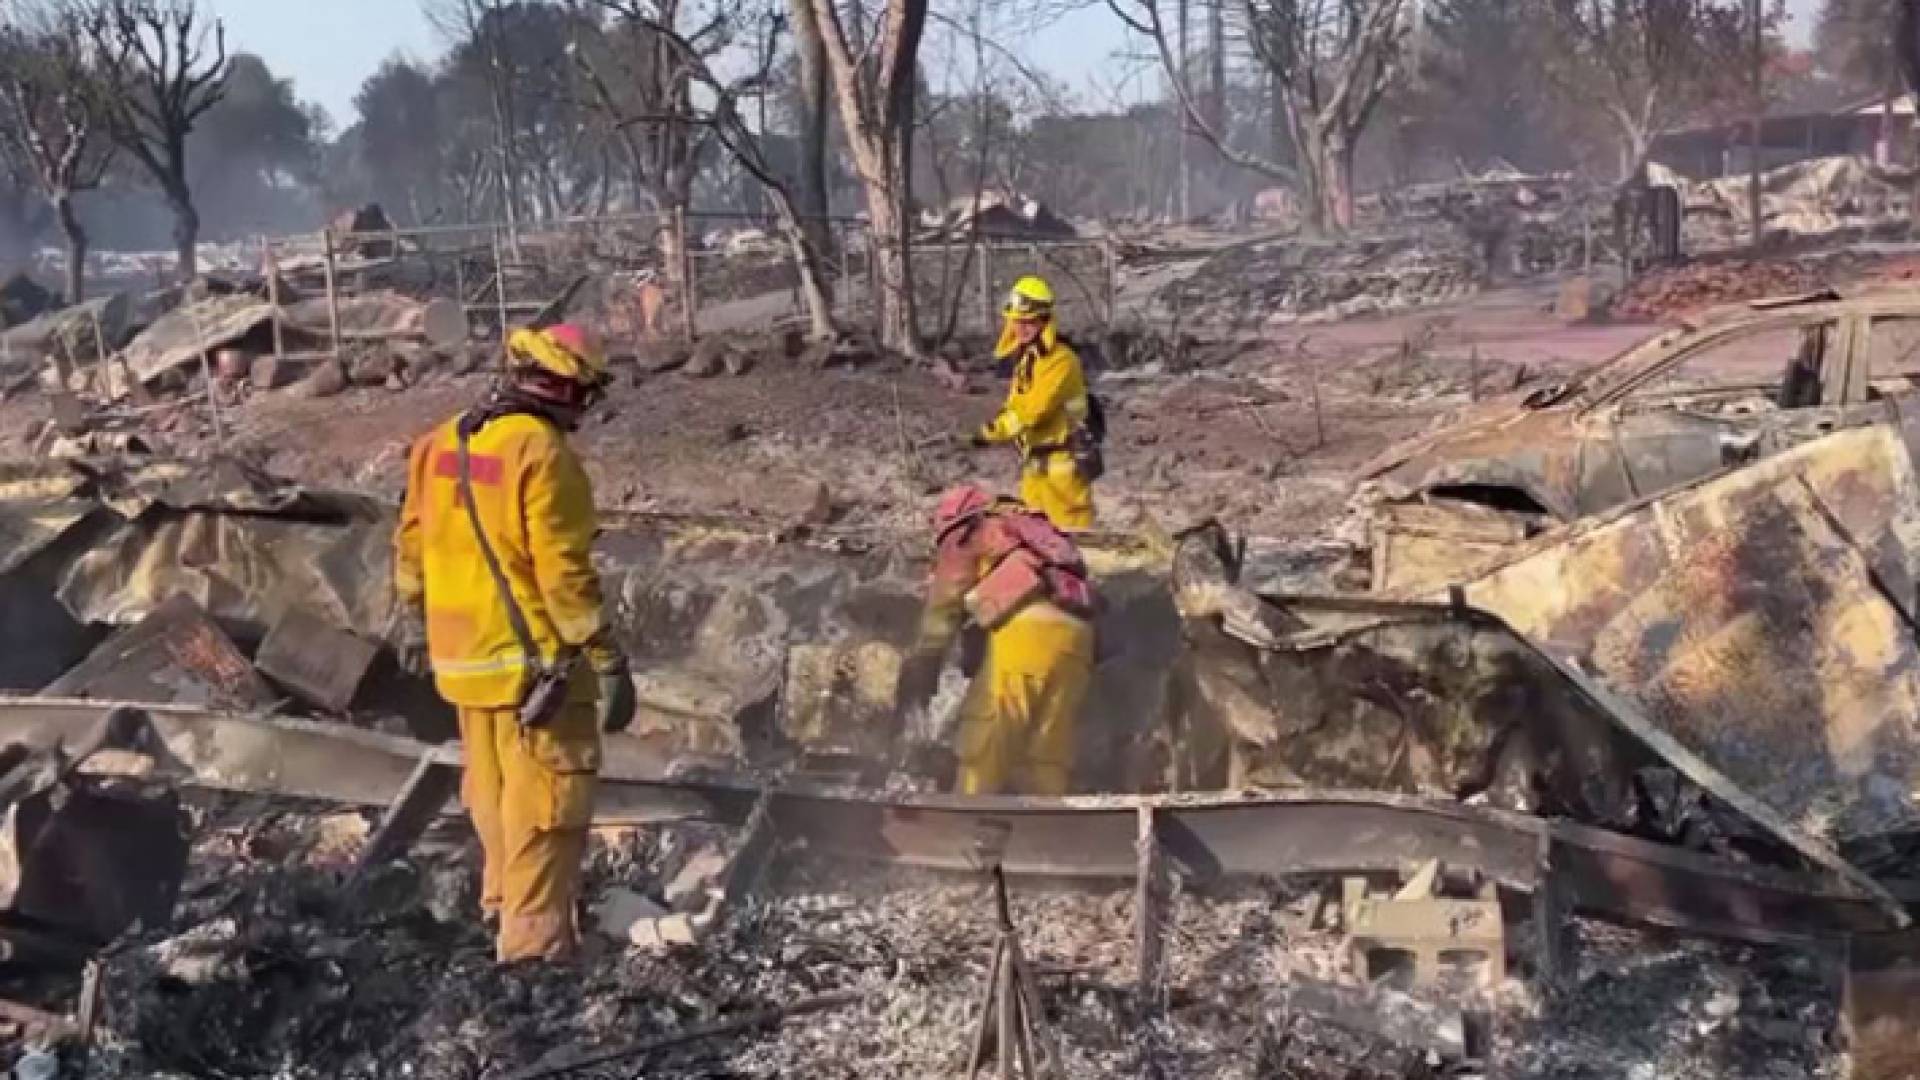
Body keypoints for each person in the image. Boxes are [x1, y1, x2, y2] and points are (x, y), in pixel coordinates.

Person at [392, 322, 637, 963]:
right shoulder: (541, 454)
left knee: (495, 794)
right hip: (537, 671)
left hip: (464, 662)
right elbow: (563, 574)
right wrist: (605, 654)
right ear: (564, 385)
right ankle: (534, 952)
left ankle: (500, 908)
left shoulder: (440, 442)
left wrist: (417, 622)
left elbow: (412, 550)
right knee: (547, 805)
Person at [896, 485, 1097, 795]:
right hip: (1079, 639)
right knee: (1047, 751)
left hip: (1026, 634)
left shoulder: (968, 531)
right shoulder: (1034, 531)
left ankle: (966, 816)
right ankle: (1048, 825)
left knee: (986, 741)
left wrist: (924, 661)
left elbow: (944, 606)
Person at [970, 276, 1099, 530]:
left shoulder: (1061, 361)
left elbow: (1032, 413)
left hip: (1062, 469)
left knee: (1070, 541)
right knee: (1033, 537)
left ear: (1044, 321)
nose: (1022, 328)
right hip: (1034, 465)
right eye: (1017, 321)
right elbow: (1015, 404)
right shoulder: (1028, 359)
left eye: (1030, 322)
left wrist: (989, 433)